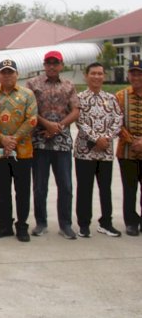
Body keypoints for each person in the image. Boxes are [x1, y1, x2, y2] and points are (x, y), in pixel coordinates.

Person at [26, 50, 80, 239]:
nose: (51, 66)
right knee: (40, 186)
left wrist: (58, 126)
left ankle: (65, 224)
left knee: (65, 185)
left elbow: (75, 110)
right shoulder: (33, 84)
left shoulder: (69, 85)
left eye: (55, 63)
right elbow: (29, 109)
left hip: (62, 143)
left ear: (61, 65)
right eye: (48, 63)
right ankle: (41, 223)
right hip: (40, 141)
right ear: (44, 65)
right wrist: (46, 124)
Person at [0, 59, 37, 242]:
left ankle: (22, 226)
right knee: (3, 190)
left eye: (10, 72)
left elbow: (32, 119)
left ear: (17, 74)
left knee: (22, 190)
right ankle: (4, 224)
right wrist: (2, 139)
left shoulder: (27, 94)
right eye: (3, 72)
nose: (7, 75)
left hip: (22, 151)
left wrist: (13, 140)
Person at [74, 62, 123, 238]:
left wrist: (107, 138)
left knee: (105, 188)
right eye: (93, 73)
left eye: (100, 73)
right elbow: (79, 121)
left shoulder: (111, 98)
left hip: (105, 152)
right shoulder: (79, 98)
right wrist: (96, 138)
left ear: (104, 76)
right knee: (84, 188)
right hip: (84, 151)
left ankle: (106, 223)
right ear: (86, 76)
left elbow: (118, 119)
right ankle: (84, 224)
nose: (96, 77)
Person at [117, 58, 142, 236]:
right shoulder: (120, 96)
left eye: (139, 73)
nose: (136, 76)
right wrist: (133, 141)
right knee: (129, 188)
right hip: (126, 151)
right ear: (128, 75)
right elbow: (116, 122)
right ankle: (131, 222)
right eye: (133, 73)